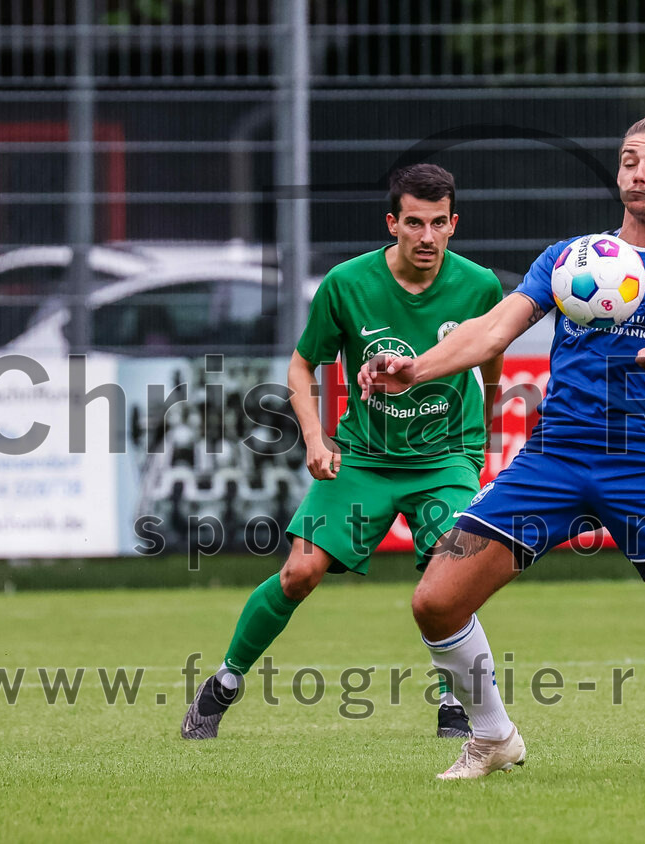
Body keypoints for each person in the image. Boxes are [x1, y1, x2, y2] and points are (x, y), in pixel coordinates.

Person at [359, 108, 645, 779]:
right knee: (436, 599)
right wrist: (414, 368)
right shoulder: (572, 258)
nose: (638, 172)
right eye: (629, 160)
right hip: (554, 459)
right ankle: (493, 736)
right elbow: (492, 331)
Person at [181, 163, 505, 740]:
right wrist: (314, 437)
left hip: (447, 456)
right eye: (413, 223)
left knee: (447, 578)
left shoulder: (480, 286)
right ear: (392, 223)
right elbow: (303, 364)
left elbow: (491, 357)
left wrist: (491, 435)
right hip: (364, 456)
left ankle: (452, 705)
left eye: (438, 223)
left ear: (454, 224)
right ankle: (224, 683)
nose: (426, 237)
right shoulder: (346, 284)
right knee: (300, 572)